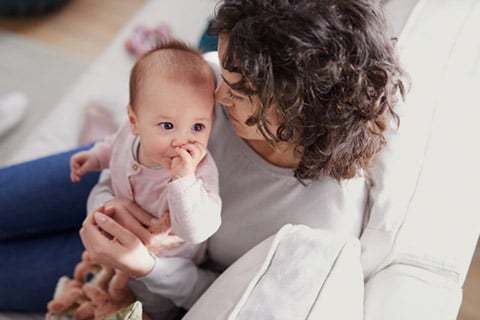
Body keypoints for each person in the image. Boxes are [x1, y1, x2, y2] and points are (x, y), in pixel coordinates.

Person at [0, 0, 406, 316]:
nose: (215, 93)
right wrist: (106, 186)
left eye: (237, 90)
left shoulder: (315, 220)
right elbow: (149, 115)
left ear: (297, 110)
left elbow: (218, 294)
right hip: (121, 175)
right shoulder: (223, 75)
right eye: (223, 71)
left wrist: (144, 265)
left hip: (141, 260)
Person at [58, 41, 221, 318]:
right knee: (95, 285)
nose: (183, 140)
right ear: (134, 121)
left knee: (141, 310)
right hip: (112, 250)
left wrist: (184, 181)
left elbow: (198, 230)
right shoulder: (129, 134)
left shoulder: (199, 172)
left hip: (162, 272)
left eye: (198, 126)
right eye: (168, 126)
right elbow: (114, 146)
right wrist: (96, 157)